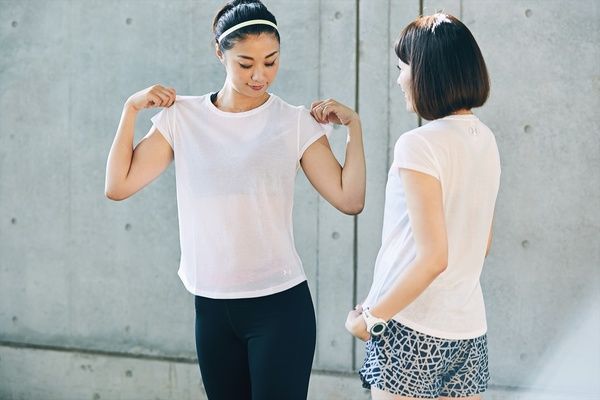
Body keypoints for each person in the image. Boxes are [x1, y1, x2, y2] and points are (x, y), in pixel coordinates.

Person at [104, 1, 366, 399]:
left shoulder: (294, 122)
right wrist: (130, 109)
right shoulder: (182, 118)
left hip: (280, 307)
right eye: (246, 64)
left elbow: (350, 199)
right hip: (211, 306)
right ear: (219, 53)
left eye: (271, 61)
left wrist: (355, 128)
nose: (260, 75)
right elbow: (118, 185)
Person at [345, 13, 500, 400]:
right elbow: (481, 243)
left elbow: (433, 257)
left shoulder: (419, 144)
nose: (400, 79)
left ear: (427, 73)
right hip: (468, 329)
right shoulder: (485, 139)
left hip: (411, 327)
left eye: (403, 68)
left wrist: (372, 318)